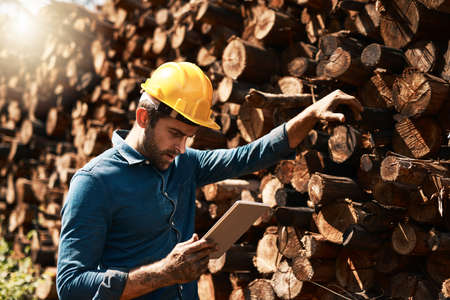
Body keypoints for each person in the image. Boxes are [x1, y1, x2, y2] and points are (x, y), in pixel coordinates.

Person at [56, 62, 363, 300]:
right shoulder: (94, 183)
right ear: (143, 118)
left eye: (188, 138)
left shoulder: (184, 163)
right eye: (175, 133)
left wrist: (310, 114)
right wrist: (163, 273)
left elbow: (249, 156)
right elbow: (70, 286)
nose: (181, 148)